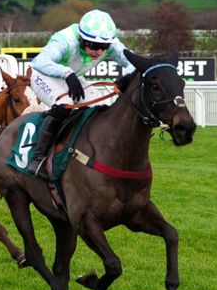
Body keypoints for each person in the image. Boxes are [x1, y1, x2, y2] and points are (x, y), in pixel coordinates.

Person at [25, 9, 135, 176]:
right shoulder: (65, 40)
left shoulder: (109, 43)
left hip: (72, 77)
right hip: (43, 74)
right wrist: (66, 73)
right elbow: (41, 61)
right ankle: (38, 158)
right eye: (95, 46)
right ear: (82, 39)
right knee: (65, 105)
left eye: (104, 47)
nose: (100, 52)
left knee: (103, 106)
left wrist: (125, 78)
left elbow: (133, 62)